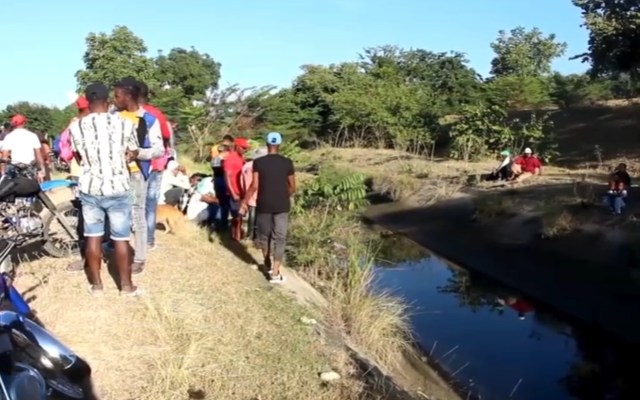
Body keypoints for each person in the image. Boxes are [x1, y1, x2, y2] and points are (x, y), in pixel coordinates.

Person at [67, 82, 141, 296]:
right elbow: (134, 151)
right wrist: (124, 158)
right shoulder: (124, 123)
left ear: (88, 103)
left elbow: (79, 158)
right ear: (107, 100)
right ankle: (126, 286)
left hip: (90, 188)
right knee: (121, 238)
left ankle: (97, 286)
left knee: (93, 237)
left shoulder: (76, 126)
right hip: (118, 187)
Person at [113, 77, 164, 274]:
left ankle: (140, 257)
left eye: (117, 96)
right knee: (118, 213)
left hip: (135, 177)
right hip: (115, 176)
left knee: (136, 213)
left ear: (129, 96)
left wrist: (138, 154)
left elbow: (159, 149)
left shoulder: (148, 120)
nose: (114, 99)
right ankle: (118, 249)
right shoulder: (113, 117)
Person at [240, 132, 295, 283]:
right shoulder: (287, 162)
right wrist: (283, 196)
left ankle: (267, 264)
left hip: (263, 203)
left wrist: (245, 202)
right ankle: (275, 273)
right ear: (279, 144)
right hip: (282, 205)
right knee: (280, 238)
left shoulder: (259, 162)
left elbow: (254, 185)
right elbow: (292, 187)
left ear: (267, 143)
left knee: (265, 236)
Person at [138, 82, 173, 249]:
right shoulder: (156, 114)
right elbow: (167, 135)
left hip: (135, 164)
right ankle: (149, 239)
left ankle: (134, 230)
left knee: (133, 199)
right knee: (151, 203)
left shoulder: (125, 113)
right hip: (156, 164)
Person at [0, 114, 46, 182]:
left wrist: (3, 172)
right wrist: (42, 169)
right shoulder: (32, 136)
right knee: (34, 189)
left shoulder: (9, 137)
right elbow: (38, 154)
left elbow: (4, 156)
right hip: (30, 168)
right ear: (24, 123)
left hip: (15, 169)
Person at [224, 137, 250, 241]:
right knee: (237, 215)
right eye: (243, 148)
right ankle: (236, 236)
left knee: (240, 215)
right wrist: (232, 192)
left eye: (246, 148)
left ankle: (236, 235)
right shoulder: (230, 158)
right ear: (237, 146)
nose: (245, 150)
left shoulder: (241, 158)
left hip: (242, 191)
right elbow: (227, 176)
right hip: (235, 191)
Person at [59, 96, 91, 180]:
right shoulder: (88, 123)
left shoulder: (73, 123)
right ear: (88, 108)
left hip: (76, 167)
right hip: (87, 167)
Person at [241, 147, 267, 240]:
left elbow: (243, 180)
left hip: (248, 192)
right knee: (254, 215)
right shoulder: (257, 166)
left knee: (252, 213)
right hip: (255, 192)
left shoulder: (247, 165)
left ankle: (250, 235)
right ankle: (252, 235)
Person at [211, 134, 234, 230]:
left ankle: (222, 223)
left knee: (223, 203)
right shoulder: (222, 157)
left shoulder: (217, 157)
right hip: (223, 180)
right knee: (225, 203)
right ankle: (222, 225)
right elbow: (216, 169)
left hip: (219, 180)